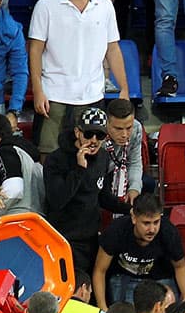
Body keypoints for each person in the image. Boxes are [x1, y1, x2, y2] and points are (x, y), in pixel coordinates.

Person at [29, 0, 128, 155]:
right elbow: (35, 51)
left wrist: (124, 89)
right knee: (48, 156)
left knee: (90, 156)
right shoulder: (46, 5)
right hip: (54, 94)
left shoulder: (105, 6)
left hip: (92, 95)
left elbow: (113, 49)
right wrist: (38, 90)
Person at [42, 107, 128, 276]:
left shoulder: (103, 157)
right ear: (77, 132)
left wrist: (130, 209)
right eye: (89, 134)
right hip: (64, 239)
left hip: (91, 238)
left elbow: (102, 196)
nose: (94, 140)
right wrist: (79, 170)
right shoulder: (56, 160)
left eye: (100, 135)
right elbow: (57, 200)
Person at [93, 193, 185, 310]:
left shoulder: (169, 232)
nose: (152, 229)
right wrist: (103, 308)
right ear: (134, 217)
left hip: (159, 278)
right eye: (146, 223)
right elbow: (100, 271)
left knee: (170, 311)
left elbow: (180, 267)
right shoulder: (116, 230)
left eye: (156, 222)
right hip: (124, 277)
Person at [0, 113, 45, 231]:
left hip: (16, 225)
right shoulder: (29, 155)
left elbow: (13, 190)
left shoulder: (4, 151)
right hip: (40, 224)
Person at [102, 98, 146, 203]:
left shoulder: (136, 128)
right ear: (107, 123)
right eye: (118, 129)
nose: (124, 135)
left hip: (120, 171)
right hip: (99, 175)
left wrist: (134, 188)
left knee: (148, 184)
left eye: (128, 127)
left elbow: (134, 163)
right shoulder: (96, 133)